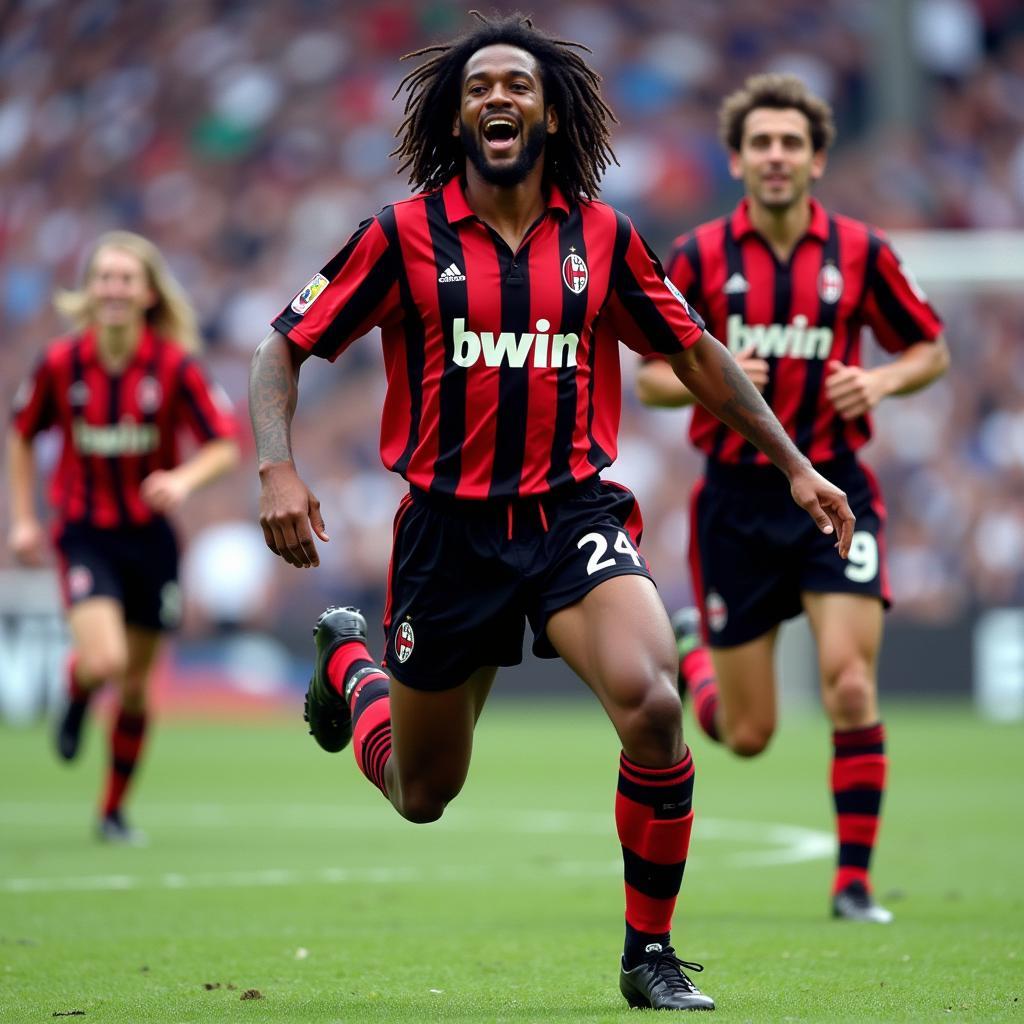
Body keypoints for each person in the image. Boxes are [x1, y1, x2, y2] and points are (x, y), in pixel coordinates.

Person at [249, 16, 854, 1011]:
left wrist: (791, 463)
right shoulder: (400, 235)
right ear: (458, 114)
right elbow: (282, 347)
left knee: (654, 704)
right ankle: (347, 665)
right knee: (421, 794)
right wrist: (276, 468)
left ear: (549, 109)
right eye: (479, 84)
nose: (498, 96)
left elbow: (697, 352)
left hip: (571, 515)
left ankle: (648, 955)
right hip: (447, 533)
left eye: (518, 85)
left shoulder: (605, 237)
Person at [635, 73, 950, 924]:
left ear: (816, 159)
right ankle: (696, 651)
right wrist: (719, 385)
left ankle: (853, 883)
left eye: (792, 143)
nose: (776, 156)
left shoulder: (862, 252)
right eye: (761, 143)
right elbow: (652, 376)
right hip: (735, 505)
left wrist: (880, 378)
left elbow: (931, 350)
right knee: (746, 736)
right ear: (737, 160)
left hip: (836, 493)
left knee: (851, 684)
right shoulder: (698, 256)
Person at [7, 230, 239, 844]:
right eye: (104, 277)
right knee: (105, 661)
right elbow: (23, 433)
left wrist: (183, 479)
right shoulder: (61, 363)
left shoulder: (173, 366)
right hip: (84, 533)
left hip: (151, 542)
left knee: (135, 688)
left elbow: (224, 442)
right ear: (89, 290)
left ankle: (112, 811)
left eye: (125, 279)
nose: (113, 288)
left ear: (147, 294)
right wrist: (26, 519)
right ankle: (77, 688)